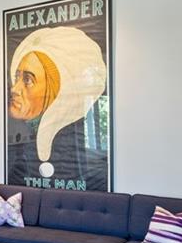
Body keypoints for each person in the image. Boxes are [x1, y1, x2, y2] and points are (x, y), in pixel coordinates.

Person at [7, 26, 107, 183]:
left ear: (57, 92)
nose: (14, 89)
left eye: (27, 80)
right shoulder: (27, 144)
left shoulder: (64, 144)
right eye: (17, 77)